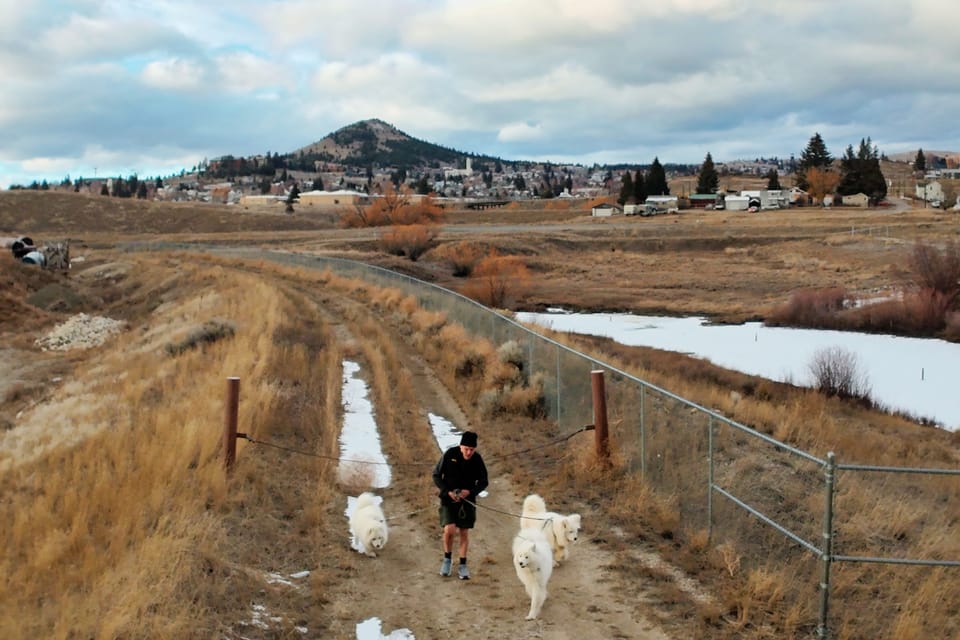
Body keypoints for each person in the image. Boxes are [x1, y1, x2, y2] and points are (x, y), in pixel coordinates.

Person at [432, 430, 488, 579]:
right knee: (449, 530)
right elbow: (436, 475)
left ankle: (463, 565)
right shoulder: (450, 454)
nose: (469, 452)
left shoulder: (477, 460)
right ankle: (447, 559)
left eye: (472, 449)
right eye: (466, 448)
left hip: (467, 501)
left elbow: (484, 481)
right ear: (461, 446)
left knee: (464, 532)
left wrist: (470, 492)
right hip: (448, 499)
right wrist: (448, 491)